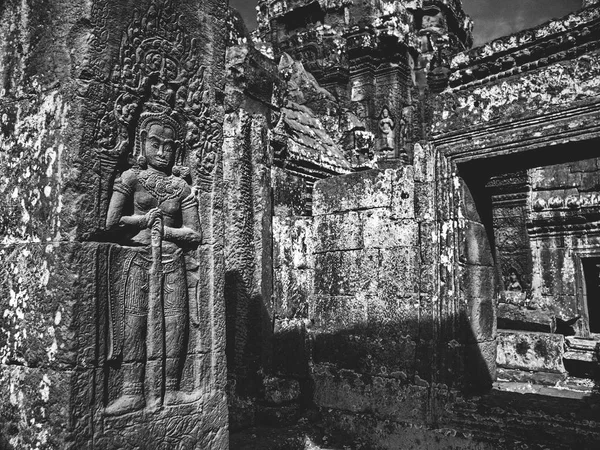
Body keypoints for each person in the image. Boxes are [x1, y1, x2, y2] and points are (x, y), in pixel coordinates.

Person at [104, 109, 201, 415]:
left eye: (170, 146)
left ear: (177, 150)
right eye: (156, 144)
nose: (162, 152)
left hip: (171, 261)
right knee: (135, 322)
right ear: (142, 142)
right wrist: (143, 220)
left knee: (174, 323)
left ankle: (170, 389)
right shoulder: (131, 178)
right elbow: (112, 222)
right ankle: (132, 391)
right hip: (138, 259)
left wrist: (167, 230)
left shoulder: (181, 188)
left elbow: (194, 234)